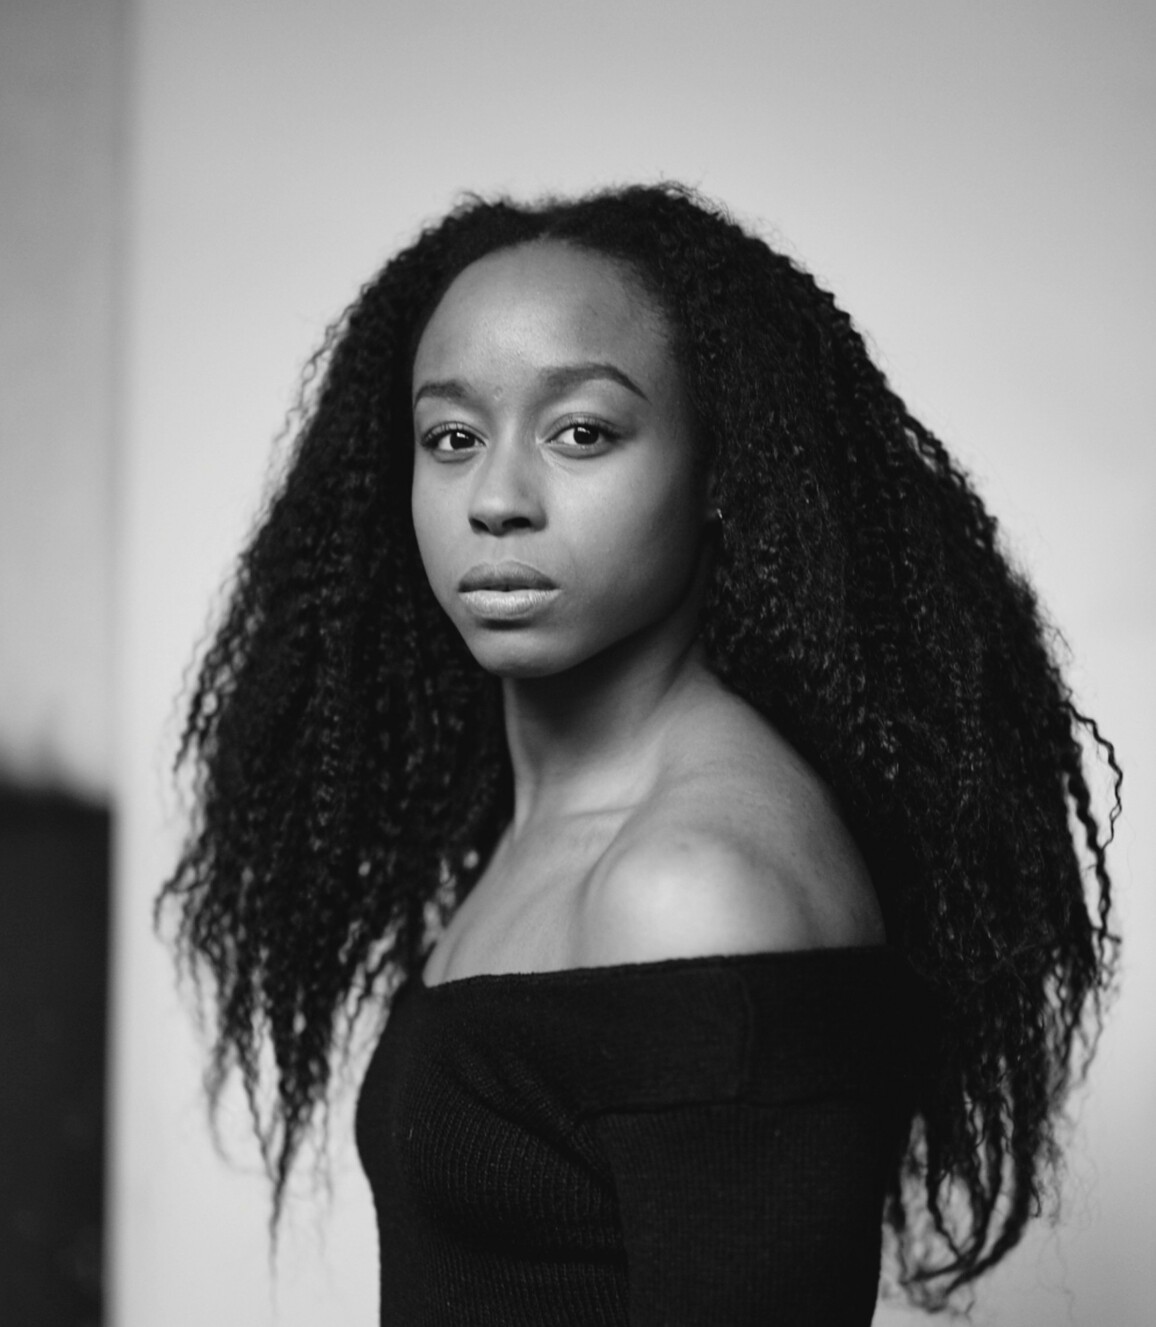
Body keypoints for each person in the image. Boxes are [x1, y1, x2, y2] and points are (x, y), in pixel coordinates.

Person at [156, 182, 1121, 1324]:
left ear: (717, 469)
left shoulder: (696, 884)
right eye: (452, 437)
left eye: (582, 432)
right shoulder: (540, 829)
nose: (496, 498)